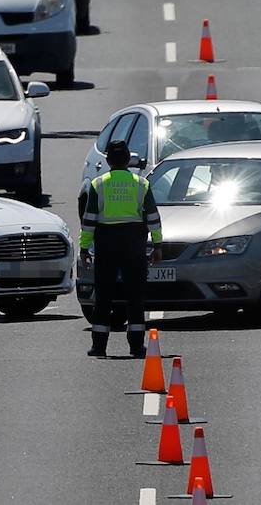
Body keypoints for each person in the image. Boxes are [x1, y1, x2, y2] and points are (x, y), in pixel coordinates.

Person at [79, 140, 163, 358]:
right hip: (133, 242)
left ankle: (99, 346)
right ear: (128, 160)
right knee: (135, 296)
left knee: (104, 295)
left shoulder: (99, 184)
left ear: (107, 161)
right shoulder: (141, 184)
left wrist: (84, 247)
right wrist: (158, 244)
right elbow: (153, 217)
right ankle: (136, 346)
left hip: (106, 242)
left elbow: (89, 220)